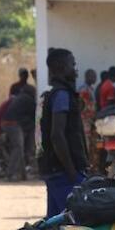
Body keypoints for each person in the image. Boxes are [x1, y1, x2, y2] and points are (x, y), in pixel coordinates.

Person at [38, 49, 89, 218]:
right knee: (75, 224)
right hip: (64, 174)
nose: (75, 69)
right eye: (72, 64)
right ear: (61, 67)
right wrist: (72, 172)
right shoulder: (61, 95)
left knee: (56, 227)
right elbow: (57, 135)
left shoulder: (59, 93)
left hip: (56, 171)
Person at [2, 84, 36, 181]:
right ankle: (10, 174)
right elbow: (34, 115)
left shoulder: (19, 98)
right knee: (18, 148)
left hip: (7, 123)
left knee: (19, 149)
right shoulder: (29, 100)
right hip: (13, 124)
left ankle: (22, 175)